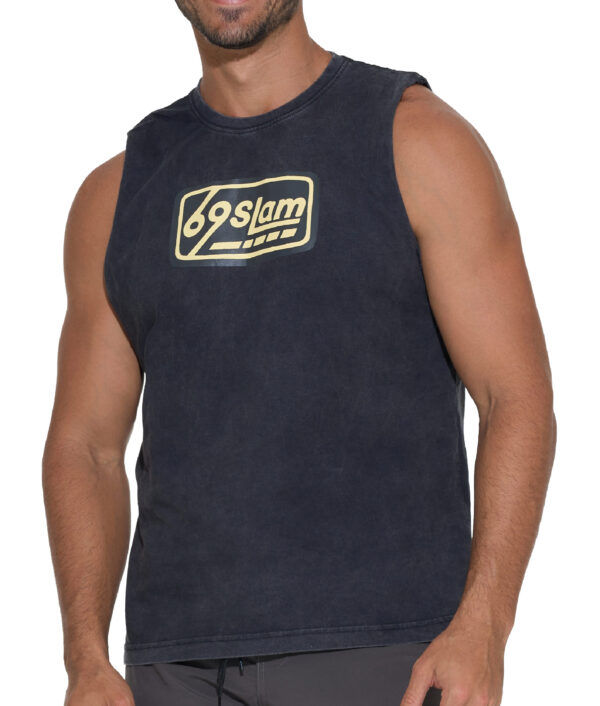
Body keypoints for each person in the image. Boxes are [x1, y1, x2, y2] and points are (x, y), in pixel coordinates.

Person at [41, 1, 557, 705]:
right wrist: (85, 658)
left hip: (385, 656)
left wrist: (486, 628)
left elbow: (514, 397)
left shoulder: (418, 141)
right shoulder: (117, 194)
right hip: (173, 668)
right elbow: (86, 447)